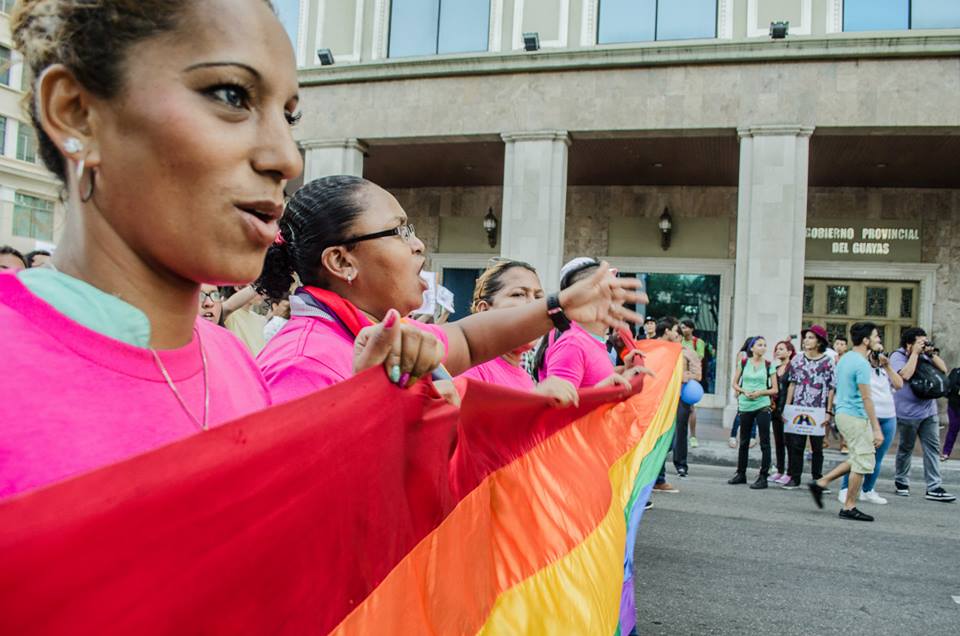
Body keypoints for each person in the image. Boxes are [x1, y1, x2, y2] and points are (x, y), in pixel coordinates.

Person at [0, 0, 370, 499]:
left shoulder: (234, 362)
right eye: (231, 95)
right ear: (76, 113)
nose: (285, 158)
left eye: (289, 117)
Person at [256, 180, 646, 404]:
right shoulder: (303, 365)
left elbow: (468, 339)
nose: (418, 244)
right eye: (400, 231)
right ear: (342, 263)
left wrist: (560, 306)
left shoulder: (388, 333)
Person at [458, 259, 578, 406]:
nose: (534, 305)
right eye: (518, 294)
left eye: (539, 297)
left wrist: (598, 393)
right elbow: (469, 426)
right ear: (484, 309)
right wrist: (532, 400)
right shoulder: (471, 371)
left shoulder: (524, 376)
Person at [808, 322, 885, 521]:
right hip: (855, 416)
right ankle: (849, 507)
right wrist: (877, 428)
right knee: (862, 461)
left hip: (844, 414)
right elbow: (867, 398)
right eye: (876, 336)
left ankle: (821, 483)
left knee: (858, 458)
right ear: (866, 340)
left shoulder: (846, 358)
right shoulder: (860, 363)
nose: (879, 340)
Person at [533, 257, 645, 392]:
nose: (621, 294)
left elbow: (589, 382)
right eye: (612, 288)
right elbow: (556, 409)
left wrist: (624, 372)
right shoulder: (573, 344)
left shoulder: (590, 340)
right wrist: (605, 389)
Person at [889, 328, 955, 502]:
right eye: (920, 342)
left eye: (925, 341)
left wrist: (930, 353)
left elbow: (943, 369)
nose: (924, 345)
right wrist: (915, 354)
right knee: (906, 448)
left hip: (928, 411)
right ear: (909, 344)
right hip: (907, 413)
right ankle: (901, 482)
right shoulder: (897, 356)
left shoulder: (926, 355)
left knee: (932, 448)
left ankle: (934, 486)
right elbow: (905, 375)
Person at [838, 336, 903, 505]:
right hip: (865, 416)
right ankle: (846, 489)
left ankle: (868, 489)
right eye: (876, 351)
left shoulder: (883, 370)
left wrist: (887, 366)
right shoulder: (861, 367)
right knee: (858, 455)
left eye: (881, 351)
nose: (878, 355)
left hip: (888, 416)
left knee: (877, 458)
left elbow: (899, 384)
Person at [781, 326, 834, 490]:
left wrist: (828, 411)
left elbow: (831, 387)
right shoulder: (797, 359)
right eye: (806, 337)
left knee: (817, 447)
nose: (806, 340)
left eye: (811, 337)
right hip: (798, 408)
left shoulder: (827, 362)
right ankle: (794, 477)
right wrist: (787, 408)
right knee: (796, 444)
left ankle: (818, 479)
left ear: (819, 341)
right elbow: (792, 384)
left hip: (818, 409)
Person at [727, 336, 778, 489]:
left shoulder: (769, 365)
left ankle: (763, 477)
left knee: (764, 442)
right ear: (752, 348)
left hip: (762, 405)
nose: (763, 348)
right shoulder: (743, 363)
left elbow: (775, 389)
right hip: (745, 405)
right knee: (743, 441)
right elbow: (734, 384)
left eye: (765, 345)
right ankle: (740, 473)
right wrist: (744, 391)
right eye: (760, 345)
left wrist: (760, 393)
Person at [658, 317, 702, 481]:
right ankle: (658, 468)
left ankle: (681, 465)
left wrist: (679, 377)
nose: (677, 336)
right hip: (663, 395)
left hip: (682, 394)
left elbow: (697, 375)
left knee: (680, 429)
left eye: (678, 334)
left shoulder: (689, 353)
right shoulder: (663, 351)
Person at [680, 318, 712, 449]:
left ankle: (692, 436)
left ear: (692, 328)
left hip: (691, 378)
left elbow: (698, 358)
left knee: (691, 408)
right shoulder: (679, 340)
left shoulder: (698, 342)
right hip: (680, 377)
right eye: (682, 327)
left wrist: (686, 356)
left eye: (687, 327)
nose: (684, 330)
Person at [769, 338, 796, 485]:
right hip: (774, 408)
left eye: (781, 349)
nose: (778, 351)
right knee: (778, 441)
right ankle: (779, 470)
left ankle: (790, 472)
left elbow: (791, 388)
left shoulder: (792, 368)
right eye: (777, 349)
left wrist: (786, 407)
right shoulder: (775, 368)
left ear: (790, 352)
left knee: (789, 442)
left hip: (787, 408)